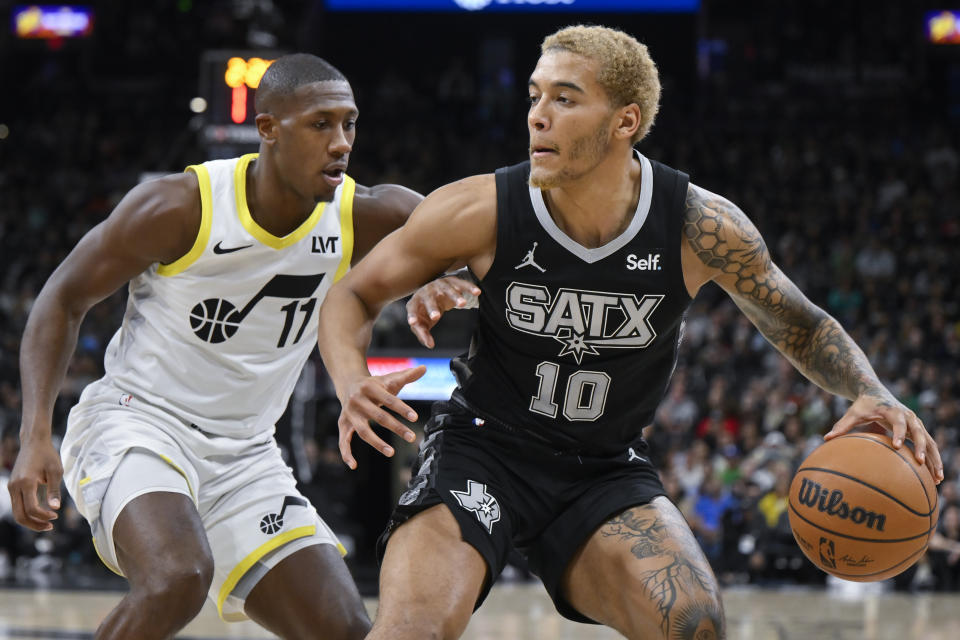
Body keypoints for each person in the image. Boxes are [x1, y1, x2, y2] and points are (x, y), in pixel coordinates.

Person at [317, 26, 944, 640]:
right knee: (411, 631)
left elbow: (800, 323)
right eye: (534, 96)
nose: (538, 115)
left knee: (693, 624)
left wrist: (871, 390)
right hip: (482, 453)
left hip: (603, 470)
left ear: (624, 121)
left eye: (564, 98)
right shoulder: (480, 208)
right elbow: (353, 295)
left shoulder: (700, 226)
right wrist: (350, 381)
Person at [7, 53, 454, 640]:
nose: (341, 142)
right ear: (268, 128)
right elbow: (61, 298)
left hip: (245, 456)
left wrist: (442, 273)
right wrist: (35, 432)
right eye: (321, 124)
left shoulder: (371, 214)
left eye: (349, 124)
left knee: (344, 629)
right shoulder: (181, 206)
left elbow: (475, 234)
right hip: (138, 426)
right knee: (177, 579)